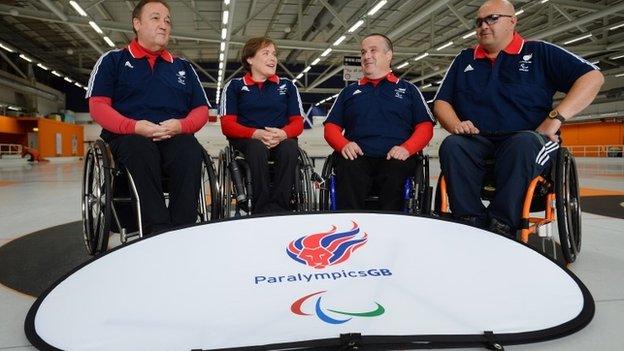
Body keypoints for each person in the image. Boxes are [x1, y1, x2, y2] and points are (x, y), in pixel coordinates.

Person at [434, 0, 604, 236]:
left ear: (512, 21)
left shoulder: (539, 52)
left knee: (523, 144)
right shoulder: (464, 59)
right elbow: (441, 101)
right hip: (477, 139)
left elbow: (592, 77)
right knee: (453, 145)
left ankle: (502, 223)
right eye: (479, 21)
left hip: (526, 139)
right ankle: (470, 220)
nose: (484, 25)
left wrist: (555, 118)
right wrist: (455, 124)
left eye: (492, 18)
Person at [86, 0, 210, 235]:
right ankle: (157, 231)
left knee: (189, 150)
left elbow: (201, 110)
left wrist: (181, 125)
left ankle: (184, 230)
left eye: (167, 21)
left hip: (173, 134)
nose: (163, 25)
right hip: (129, 135)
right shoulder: (113, 61)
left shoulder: (182, 66)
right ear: (137, 24)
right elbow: (98, 106)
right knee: (140, 150)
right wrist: (133, 126)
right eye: (155, 18)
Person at [323, 33, 434, 211]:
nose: (366, 56)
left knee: (396, 172)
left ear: (388, 55)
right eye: (363, 52)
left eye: (373, 50)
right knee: (347, 167)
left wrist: (407, 148)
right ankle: (352, 227)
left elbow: (425, 127)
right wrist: (343, 144)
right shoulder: (349, 92)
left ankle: (390, 229)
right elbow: (331, 127)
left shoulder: (409, 90)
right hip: (357, 157)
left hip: (396, 157)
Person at [219, 37, 304, 214]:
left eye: (274, 54)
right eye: (266, 53)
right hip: (248, 140)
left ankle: (280, 207)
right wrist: (255, 133)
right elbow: (227, 125)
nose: (272, 58)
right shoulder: (234, 86)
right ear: (250, 59)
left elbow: (297, 123)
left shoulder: (287, 86)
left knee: (290, 148)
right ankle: (262, 208)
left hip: (281, 137)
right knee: (256, 148)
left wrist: (282, 133)